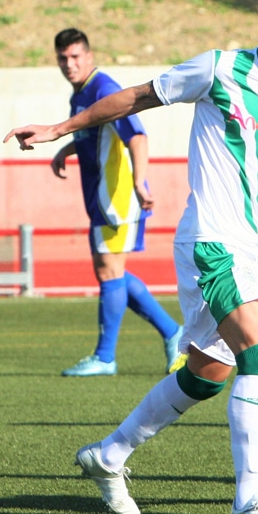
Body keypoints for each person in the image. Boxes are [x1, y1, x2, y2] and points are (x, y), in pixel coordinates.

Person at [4, 0, 258, 514]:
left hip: (251, 248)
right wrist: (58, 128)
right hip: (211, 241)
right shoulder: (220, 70)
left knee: (208, 373)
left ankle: (109, 455)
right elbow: (137, 97)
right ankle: (249, 500)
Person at [50, 28, 184, 377]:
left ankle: (105, 356)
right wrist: (66, 149)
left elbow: (137, 137)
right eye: (63, 58)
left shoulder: (104, 90)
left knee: (108, 271)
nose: (69, 64)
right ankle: (173, 333)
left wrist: (139, 182)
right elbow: (92, 134)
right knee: (112, 271)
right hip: (101, 197)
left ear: (89, 57)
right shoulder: (81, 94)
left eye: (75, 56)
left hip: (118, 197)